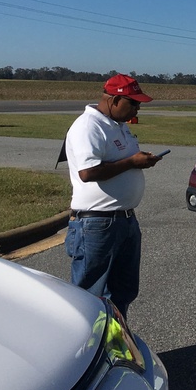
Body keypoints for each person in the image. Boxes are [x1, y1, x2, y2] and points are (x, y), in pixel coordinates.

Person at [64, 74, 161, 319]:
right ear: (116, 99)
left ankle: (116, 347)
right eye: (134, 103)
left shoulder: (118, 125)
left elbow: (122, 162)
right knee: (89, 296)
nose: (137, 108)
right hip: (97, 223)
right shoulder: (89, 126)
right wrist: (131, 162)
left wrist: (140, 162)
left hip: (125, 220)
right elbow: (88, 172)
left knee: (122, 292)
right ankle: (88, 352)